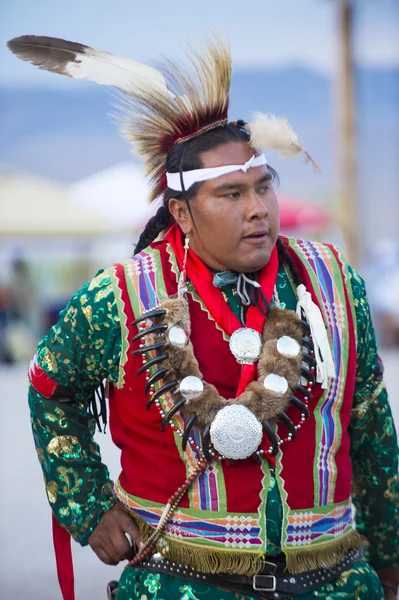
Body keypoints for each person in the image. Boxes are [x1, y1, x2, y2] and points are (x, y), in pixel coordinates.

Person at [7, 35, 399, 600]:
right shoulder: (122, 295)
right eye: (232, 194)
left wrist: (388, 561)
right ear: (181, 213)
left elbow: (372, 426)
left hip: (333, 581)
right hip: (181, 581)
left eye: (264, 187)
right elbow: (49, 387)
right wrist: (87, 505)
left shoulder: (333, 283)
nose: (258, 209)